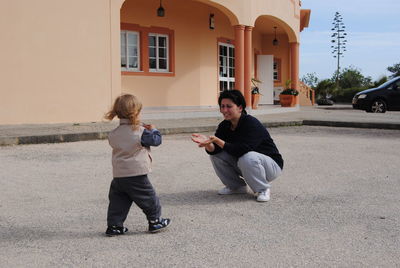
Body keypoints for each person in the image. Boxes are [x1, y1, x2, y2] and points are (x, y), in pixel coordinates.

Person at [191, 90, 283, 202]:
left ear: (240, 108)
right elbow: (217, 150)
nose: (224, 110)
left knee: (248, 157)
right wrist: (208, 144)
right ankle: (236, 187)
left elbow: (242, 150)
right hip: (247, 163)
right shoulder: (224, 125)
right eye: (222, 106)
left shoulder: (251, 123)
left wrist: (217, 141)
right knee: (217, 156)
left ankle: (263, 189)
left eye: (229, 106)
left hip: (270, 166)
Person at [104, 94, 170, 236]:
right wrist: (153, 130)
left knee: (118, 201)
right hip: (136, 174)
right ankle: (155, 221)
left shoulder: (113, 133)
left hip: (119, 175)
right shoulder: (141, 132)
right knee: (148, 197)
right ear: (137, 112)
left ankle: (114, 225)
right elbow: (156, 141)